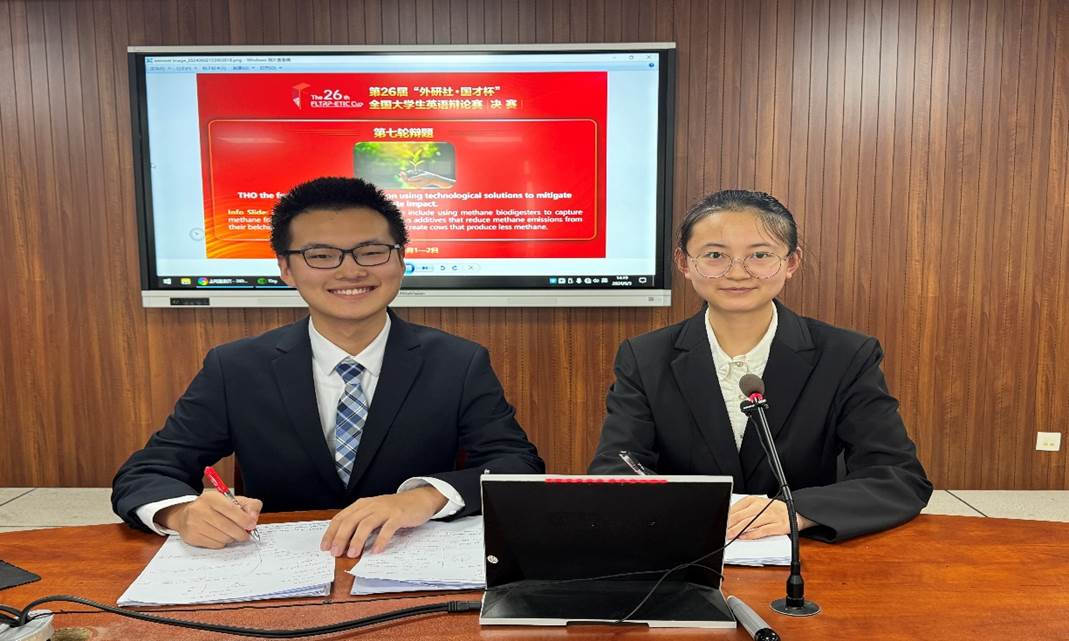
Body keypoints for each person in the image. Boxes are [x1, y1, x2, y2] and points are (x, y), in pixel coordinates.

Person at [113, 176, 544, 556]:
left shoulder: (458, 362)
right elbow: (148, 470)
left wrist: (424, 497)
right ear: (286, 268)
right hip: (276, 574)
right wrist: (182, 513)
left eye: (371, 252)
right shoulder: (236, 367)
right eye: (321, 255)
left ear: (400, 260)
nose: (350, 271)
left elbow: (517, 464)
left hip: (408, 565)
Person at [589, 190, 931, 542]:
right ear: (684, 263)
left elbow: (898, 476)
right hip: (682, 546)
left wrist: (798, 511)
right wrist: (687, 512)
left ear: (791, 262)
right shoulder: (645, 357)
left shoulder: (846, 355)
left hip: (805, 551)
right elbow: (616, 467)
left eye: (760, 255)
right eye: (715, 255)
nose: (738, 273)